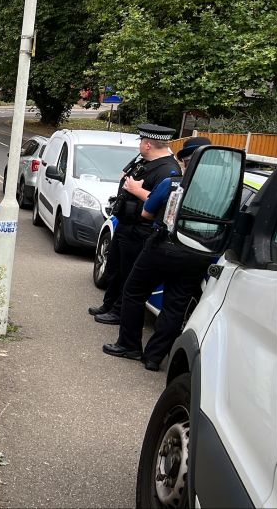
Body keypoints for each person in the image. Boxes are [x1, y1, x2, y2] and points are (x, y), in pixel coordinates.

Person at [102, 137, 217, 371]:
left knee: (133, 292)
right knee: (175, 307)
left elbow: (146, 213)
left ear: (185, 161)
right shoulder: (220, 193)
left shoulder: (171, 183)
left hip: (164, 248)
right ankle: (154, 358)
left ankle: (129, 346)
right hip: (199, 254)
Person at [88, 124, 180, 324]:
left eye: (141, 142)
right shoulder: (146, 162)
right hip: (126, 224)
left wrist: (137, 191)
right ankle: (109, 304)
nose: (139, 145)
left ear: (148, 145)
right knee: (114, 268)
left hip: (141, 229)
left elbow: (165, 203)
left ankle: (119, 311)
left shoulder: (168, 170)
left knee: (128, 273)